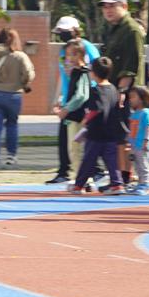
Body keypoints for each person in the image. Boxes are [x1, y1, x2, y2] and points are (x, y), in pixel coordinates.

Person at [98, 0, 145, 185]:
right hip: (114, 89)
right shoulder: (113, 30)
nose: (107, 10)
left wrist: (122, 91)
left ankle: (125, 176)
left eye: (112, 6)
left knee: (124, 135)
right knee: (117, 135)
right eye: (105, 7)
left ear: (124, 7)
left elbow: (131, 65)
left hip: (127, 93)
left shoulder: (131, 30)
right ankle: (119, 176)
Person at [48, 16, 100, 185]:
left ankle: (92, 172)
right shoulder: (64, 51)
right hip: (69, 100)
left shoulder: (87, 48)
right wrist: (57, 98)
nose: (62, 35)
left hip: (83, 101)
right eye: (60, 32)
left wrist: (94, 98)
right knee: (67, 139)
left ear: (75, 30)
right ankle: (66, 171)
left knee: (83, 140)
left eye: (65, 31)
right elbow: (62, 75)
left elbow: (96, 72)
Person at [70, 57, 126, 194]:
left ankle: (78, 186)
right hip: (110, 132)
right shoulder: (113, 89)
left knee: (88, 160)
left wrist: (85, 120)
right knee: (112, 160)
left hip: (95, 132)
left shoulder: (95, 90)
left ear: (93, 73)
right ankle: (117, 184)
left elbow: (95, 109)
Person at [0, 28, 35, 169]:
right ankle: (11, 156)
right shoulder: (20, 56)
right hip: (14, 95)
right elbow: (28, 74)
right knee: (12, 125)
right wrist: (23, 83)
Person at [53, 39, 92, 188]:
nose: (69, 58)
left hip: (77, 117)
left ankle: (81, 180)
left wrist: (66, 109)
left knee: (75, 149)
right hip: (77, 116)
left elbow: (81, 95)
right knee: (77, 149)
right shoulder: (78, 72)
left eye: (72, 55)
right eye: (67, 55)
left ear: (80, 55)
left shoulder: (81, 72)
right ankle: (83, 179)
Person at [127, 85, 149, 195]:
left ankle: (145, 185)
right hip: (135, 145)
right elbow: (131, 129)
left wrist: (146, 140)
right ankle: (140, 183)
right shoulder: (134, 114)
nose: (130, 99)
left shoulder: (146, 112)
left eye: (133, 97)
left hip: (143, 145)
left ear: (142, 98)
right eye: (130, 97)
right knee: (138, 166)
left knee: (144, 165)